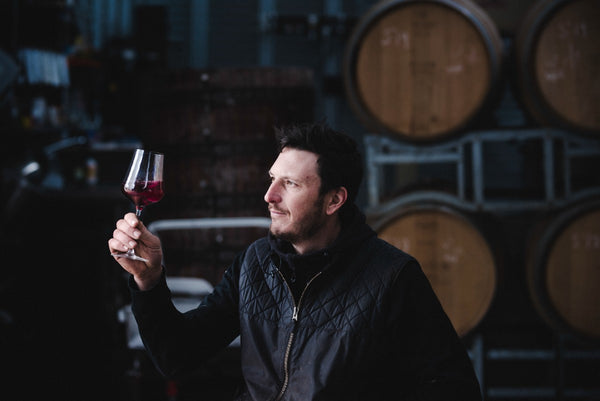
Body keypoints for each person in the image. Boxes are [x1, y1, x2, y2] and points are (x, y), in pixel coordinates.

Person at [108, 122, 482, 400]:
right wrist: (149, 282)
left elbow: (454, 389)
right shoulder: (255, 264)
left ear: (334, 201)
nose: (269, 195)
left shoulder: (392, 277)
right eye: (273, 179)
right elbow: (178, 356)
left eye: (291, 184)